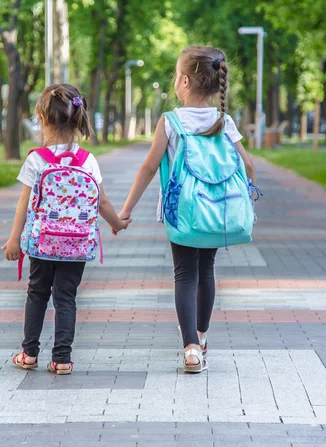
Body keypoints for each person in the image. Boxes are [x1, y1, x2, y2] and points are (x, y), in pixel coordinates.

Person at [118, 46, 257, 373]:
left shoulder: (170, 121)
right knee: (206, 271)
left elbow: (149, 168)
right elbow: (247, 164)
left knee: (184, 274)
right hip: (217, 212)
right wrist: (244, 198)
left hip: (183, 211)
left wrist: (125, 211)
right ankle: (202, 337)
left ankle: (190, 347)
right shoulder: (224, 120)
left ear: (183, 80)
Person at [2, 84, 131, 374]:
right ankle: (62, 358)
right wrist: (117, 224)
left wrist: (14, 240)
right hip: (76, 245)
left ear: (42, 119)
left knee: (37, 293)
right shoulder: (88, 161)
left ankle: (29, 353)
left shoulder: (36, 159)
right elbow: (102, 201)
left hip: (42, 242)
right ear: (77, 119)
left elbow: (24, 204)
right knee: (66, 297)